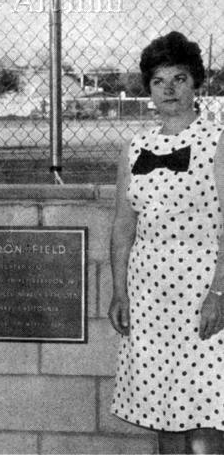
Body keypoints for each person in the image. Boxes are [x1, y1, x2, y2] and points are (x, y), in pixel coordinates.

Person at [109, 31, 224, 454]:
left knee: (207, 415)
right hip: (149, 296)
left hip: (203, 295)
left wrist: (219, 293)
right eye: (160, 81)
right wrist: (119, 291)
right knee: (164, 412)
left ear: (196, 84)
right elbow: (123, 225)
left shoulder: (218, 141)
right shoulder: (135, 147)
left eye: (179, 78)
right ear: (149, 90)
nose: (170, 89)